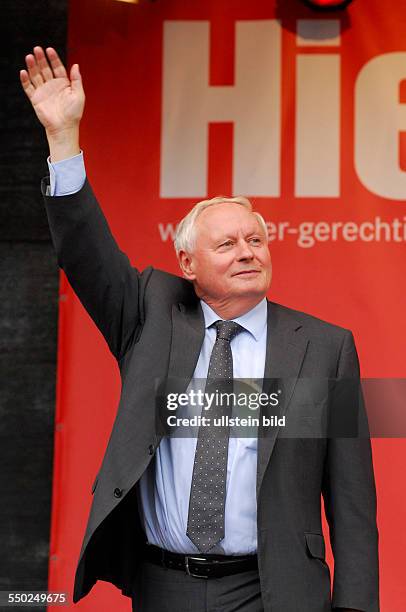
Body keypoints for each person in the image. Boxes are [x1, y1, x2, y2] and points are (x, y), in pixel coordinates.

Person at [20, 47, 379, 612]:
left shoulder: (325, 348)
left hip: (277, 591)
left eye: (256, 240)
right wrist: (63, 139)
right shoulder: (151, 312)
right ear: (187, 265)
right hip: (167, 586)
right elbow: (87, 253)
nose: (247, 252)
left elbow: (353, 506)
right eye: (227, 243)